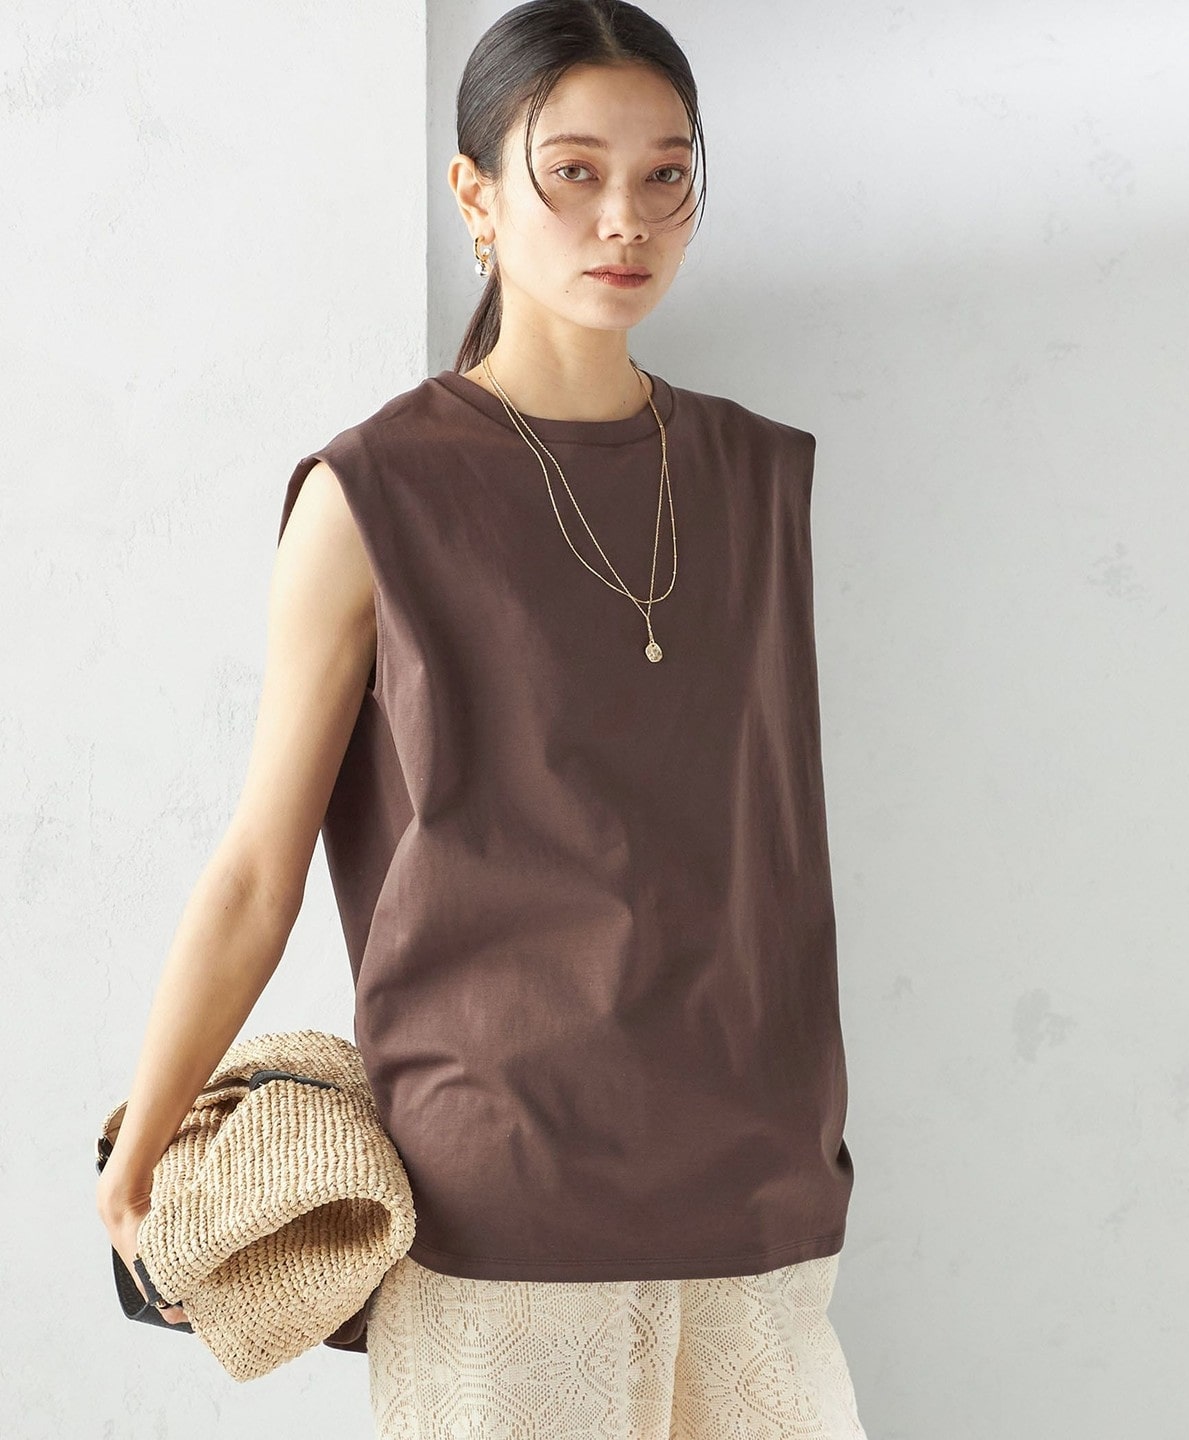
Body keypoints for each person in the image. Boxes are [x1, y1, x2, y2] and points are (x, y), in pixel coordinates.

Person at [97, 2, 869, 1435]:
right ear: (477, 195)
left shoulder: (758, 478)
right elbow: (261, 866)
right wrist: (144, 1144)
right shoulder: (372, 496)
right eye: (572, 172)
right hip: (499, 1203)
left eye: (666, 175)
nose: (624, 217)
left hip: (754, 1183)